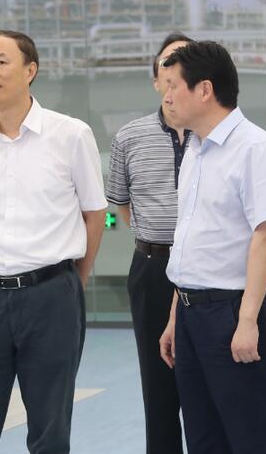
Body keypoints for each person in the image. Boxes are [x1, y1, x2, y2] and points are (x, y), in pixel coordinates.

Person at [0, 29, 107, 454]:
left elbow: (95, 214)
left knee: (49, 428)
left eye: (1, 62)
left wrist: (73, 281)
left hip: (51, 295)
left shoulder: (70, 134)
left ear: (30, 70)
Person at [158, 41, 266, 454]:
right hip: (191, 313)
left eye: (174, 85)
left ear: (205, 90)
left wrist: (247, 320)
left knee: (251, 438)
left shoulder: (253, 146)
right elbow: (190, 242)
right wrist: (175, 317)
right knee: (203, 438)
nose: (166, 95)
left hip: (231, 313)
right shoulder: (194, 149)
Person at [106, 32, 192, 454]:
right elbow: (121, 205)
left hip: (208, 270)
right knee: (157, 382)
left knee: (211, 379)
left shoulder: (218, 133)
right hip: (153, 267)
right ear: (157, 81)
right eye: (166, 67)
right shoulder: (129, 136)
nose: (174, 74)